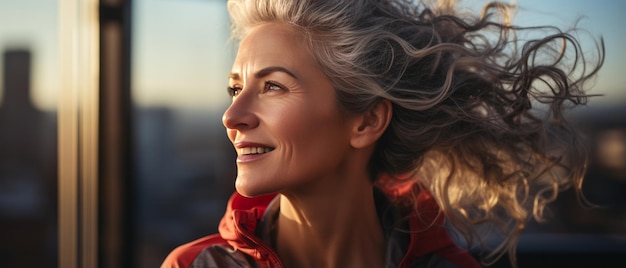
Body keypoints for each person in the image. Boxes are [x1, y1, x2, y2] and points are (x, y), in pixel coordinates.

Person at [162, 0, 604, 267]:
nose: (232, 114)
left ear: (366, 122)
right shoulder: (194, 266)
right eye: (236, 88)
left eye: (272, 86)